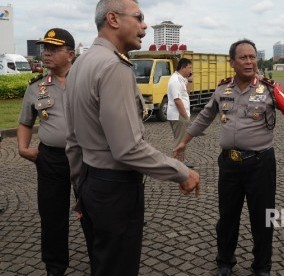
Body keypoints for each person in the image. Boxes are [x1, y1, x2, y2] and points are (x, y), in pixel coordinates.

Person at [64, 1, 200, 275]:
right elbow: (127, 148)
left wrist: (82, 190)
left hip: (92, 183)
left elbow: (73, 140)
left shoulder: (81, 64)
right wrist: (181, 171)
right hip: (115, 190)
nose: (144, 25)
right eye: (138, 17)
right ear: (113, 19)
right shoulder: (114, 67)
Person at [174, 39, 284, 276]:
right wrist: (184, 141)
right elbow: (205, 116)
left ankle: (262, 266)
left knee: (262, 217)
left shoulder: (269, 88)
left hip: (260, 164)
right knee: (227, 217)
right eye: (243, 57)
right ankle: (225, 261)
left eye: (252, 57)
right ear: (232, 62)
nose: (249, 62)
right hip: (229, 165)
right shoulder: (222, 89)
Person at [17, 28, 76, 276]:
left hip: (87, 156)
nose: (46, 53)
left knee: (94, 210)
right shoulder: (37, 87)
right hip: (51, 158)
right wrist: (22, 148)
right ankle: (55, 266)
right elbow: (25, 122)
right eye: (45, 48)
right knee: (52, 215)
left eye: (53, 49)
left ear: (70, 54)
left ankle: (101, 259)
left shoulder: (86, 81)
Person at [167, 58, 194, 167]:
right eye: (189, 67)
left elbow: (186, 93)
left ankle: (180, 163)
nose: (190, 70)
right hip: (179, 115)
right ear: (183, 67)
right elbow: (177, 100)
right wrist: (186, 116)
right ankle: (177, 165)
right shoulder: (175, 80)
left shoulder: (181, 79)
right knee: (179, 141)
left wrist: (190, 80)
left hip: (180, 115)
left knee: (182, 140)